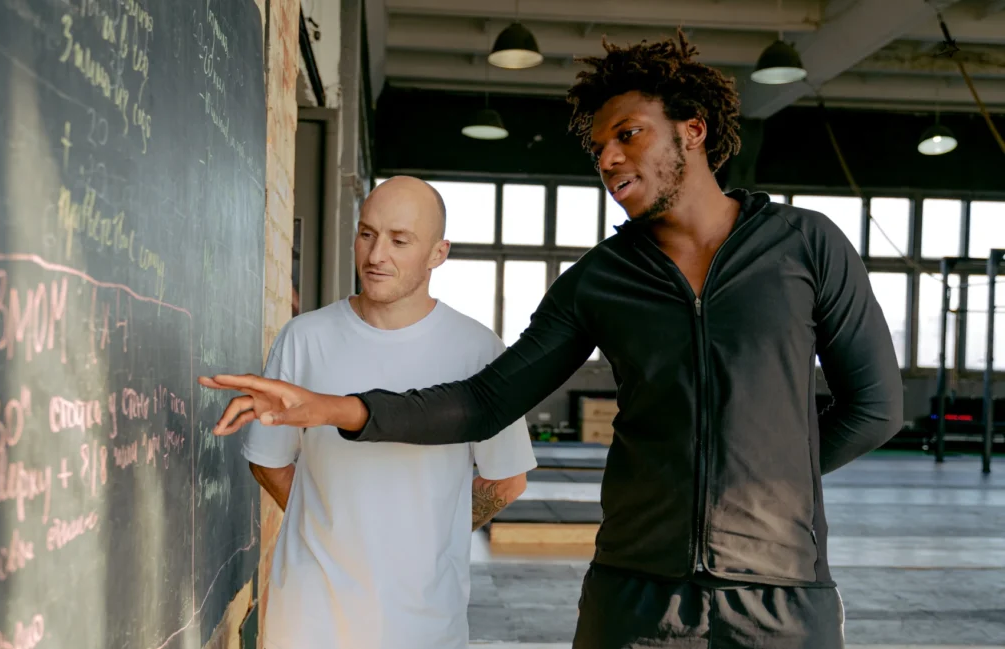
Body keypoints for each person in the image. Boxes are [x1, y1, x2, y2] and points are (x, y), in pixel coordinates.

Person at [201, 31, 903, 649]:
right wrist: (331, 407)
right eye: (598, 145)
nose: (607, 157)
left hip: (781, 596)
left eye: (628, 134)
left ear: (692, 130)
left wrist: (764, 486)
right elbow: (483, 401)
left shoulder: (805, 246)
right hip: (635, 597)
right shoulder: (600, 280)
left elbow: (874, 406)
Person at [235, 175, 537, 649]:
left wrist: (429, 536)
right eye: (367, 234)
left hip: (424, 619)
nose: (376, 256)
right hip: (310, 614)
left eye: (400, 240)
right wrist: (332, 528)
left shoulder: (479, 350)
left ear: (439, 253)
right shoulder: (304, 338)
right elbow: (268, 460)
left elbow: (506, 480)